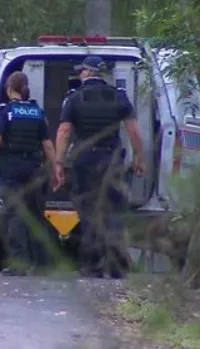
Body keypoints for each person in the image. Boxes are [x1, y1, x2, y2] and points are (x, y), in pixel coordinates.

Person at [54, 56, 145, 279]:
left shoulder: (74, 98)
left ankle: (92, 266)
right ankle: (115, 267)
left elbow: (64, 132)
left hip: (85, 161)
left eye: (81, 71)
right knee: (112, 211)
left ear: (87, 72)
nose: (80, 74)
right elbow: (132, 130)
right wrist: (139, 157)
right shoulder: (118, 96)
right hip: (111, 159)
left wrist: (59, 162)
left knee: (88, 211)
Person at [0, 71, 58, 276]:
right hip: (35, 168)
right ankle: (43, 264)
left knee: (15, 215)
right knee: (36, 214)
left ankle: (19, 263)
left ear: (8, 88)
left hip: (12, 168)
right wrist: (55, 169)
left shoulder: (6, 112)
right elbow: (47, 145)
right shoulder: (36, 111)